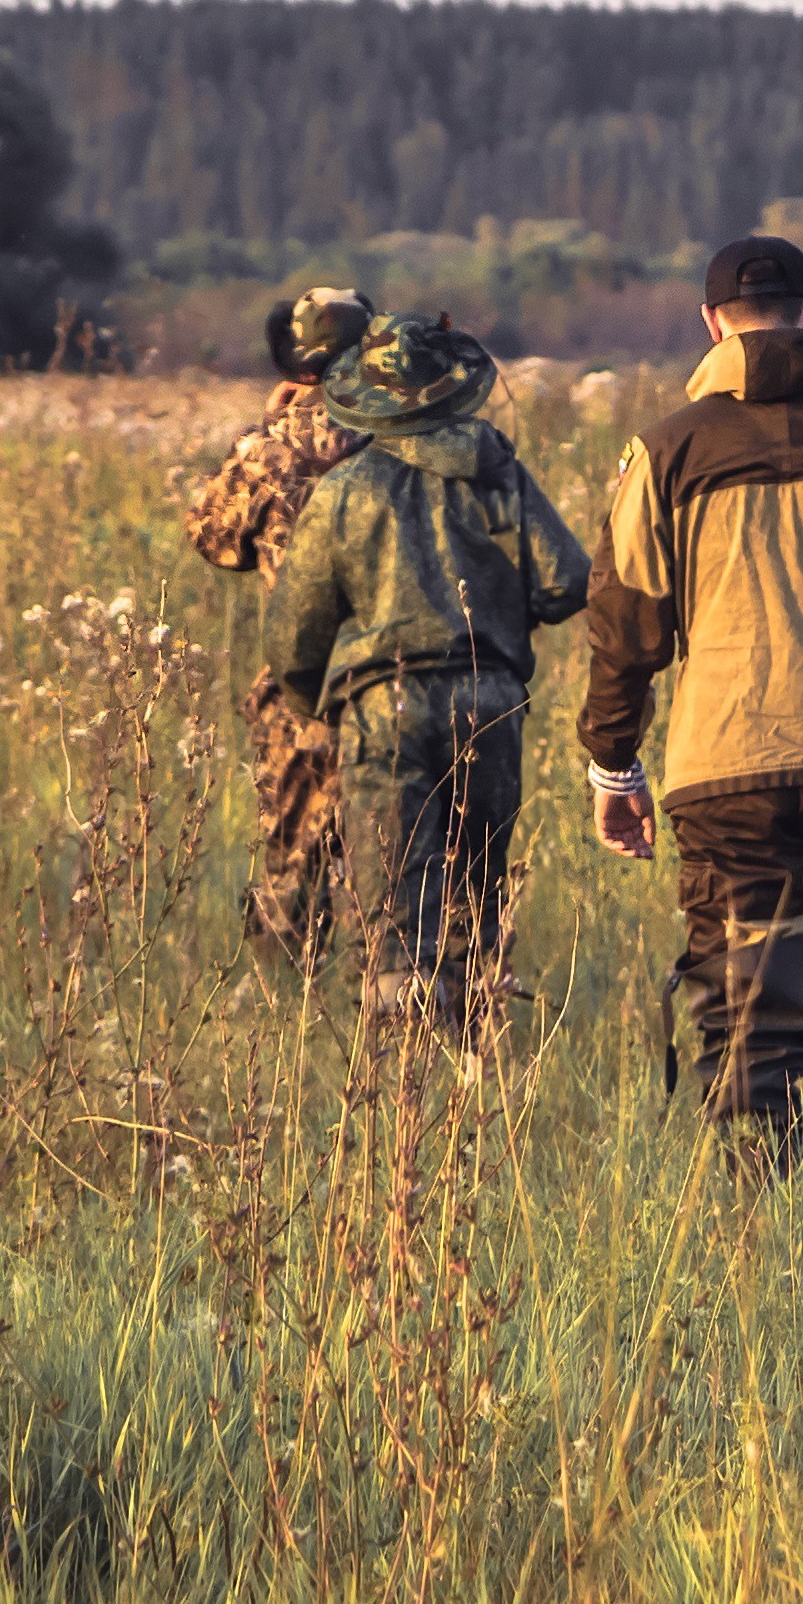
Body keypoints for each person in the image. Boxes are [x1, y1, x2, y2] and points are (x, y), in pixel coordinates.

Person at [577, 234, 803, 1170]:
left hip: (724, 774)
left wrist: (615, 763)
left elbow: (625, 628)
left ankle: (758, 1241)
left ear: (710, 324)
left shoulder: (667, 450)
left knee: (746, 1016)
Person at [263, 309, 593, 1051]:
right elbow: (568, 580)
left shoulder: (347, 487)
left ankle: (403, 1078)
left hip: (386, 703)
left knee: (389, 905)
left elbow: (293, 635)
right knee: (478, 888)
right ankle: (478, 1060)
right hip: (490, 698)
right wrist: (511, 610)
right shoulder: (501, 473)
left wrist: (322, 705)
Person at [184, 285, 376, 964]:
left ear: (296, 365)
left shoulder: (272, 449)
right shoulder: (407, 436)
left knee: (293, 860)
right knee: (407, 863)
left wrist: (263, 433)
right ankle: (405, 1020)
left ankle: (283, 1016)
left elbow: (212, 536)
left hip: (302, 694)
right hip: (407, 684)